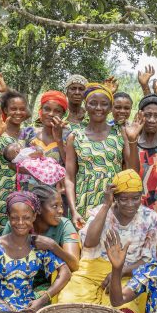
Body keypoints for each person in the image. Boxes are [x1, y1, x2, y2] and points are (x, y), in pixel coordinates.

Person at [58, 170, 157, 313]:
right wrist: (106, 205)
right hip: (90, 270)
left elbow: (150, 259)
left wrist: (120, 272)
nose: (130, 204)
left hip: (126, 275)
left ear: (141, 197)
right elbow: (89, 243)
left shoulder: (150, 218)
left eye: (135, 198)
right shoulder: (101, 211)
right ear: (115, 197)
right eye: (123, 198)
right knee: (68, 305)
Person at [64, 84, 129, 226]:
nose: (98, 108)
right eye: (93, 103)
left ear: (111, 107)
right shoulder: (75, 137)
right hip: (84, 202)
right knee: (86, 245)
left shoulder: (120, 133)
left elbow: (131, 169)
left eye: (104, 104)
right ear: (85, 105)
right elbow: (69, 178)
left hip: (114, 201)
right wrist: (74, 210)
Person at [0, 91, 35, 232]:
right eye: (13, 109)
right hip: (3, 188)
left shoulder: (29, 133)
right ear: (5, 110)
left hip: (27, 188)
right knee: (1, 228)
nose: (18, 112)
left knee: (24, 228)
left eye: (22, 109)